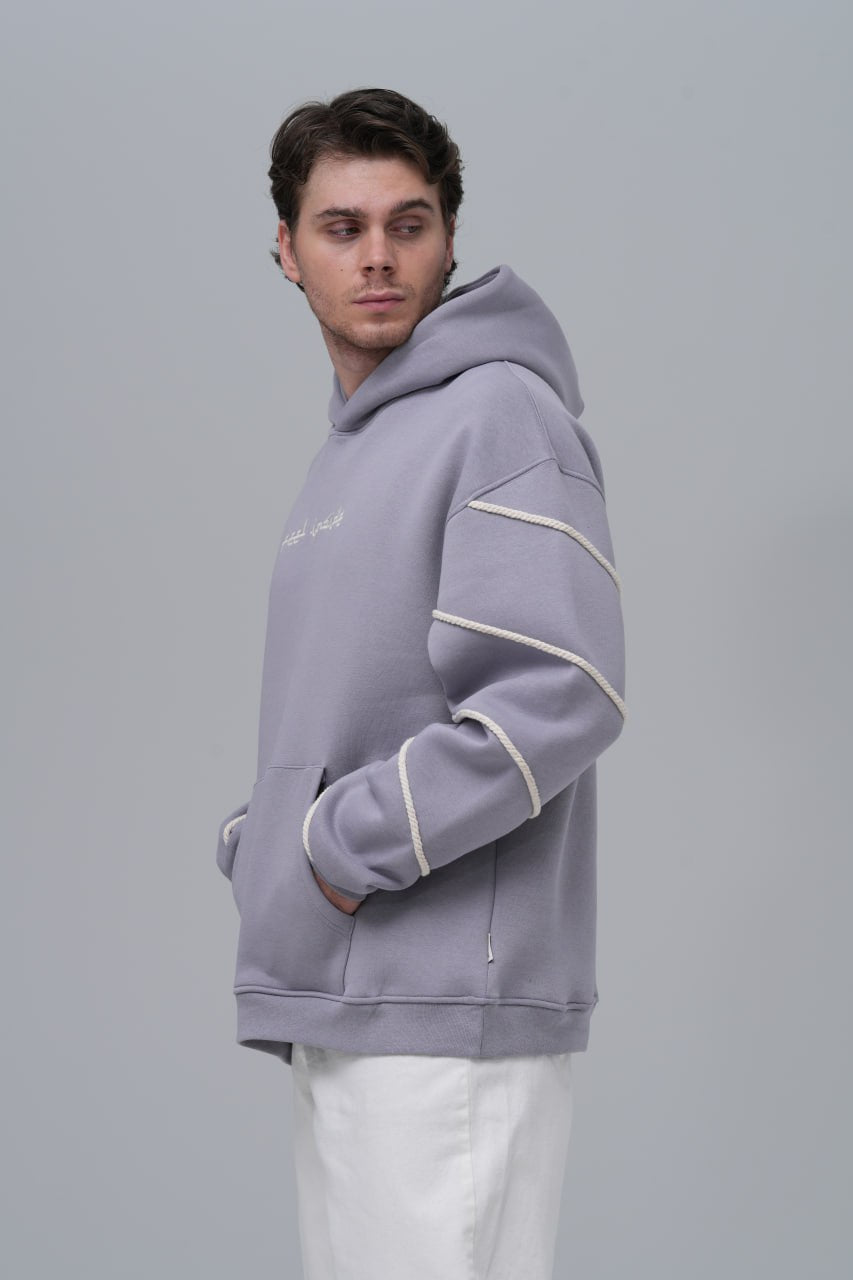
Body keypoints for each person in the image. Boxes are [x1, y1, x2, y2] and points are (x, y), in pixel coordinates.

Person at [215, 86, 628, 1280]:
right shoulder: (354, 448)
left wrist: (331, 850)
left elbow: (560, 688)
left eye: (409, 224)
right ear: (287, 251)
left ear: (449, 239)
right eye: (342, 228)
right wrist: (265, 842)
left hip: (445, 1014)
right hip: (349, 1001)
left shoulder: (498, 412)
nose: (378, 257)